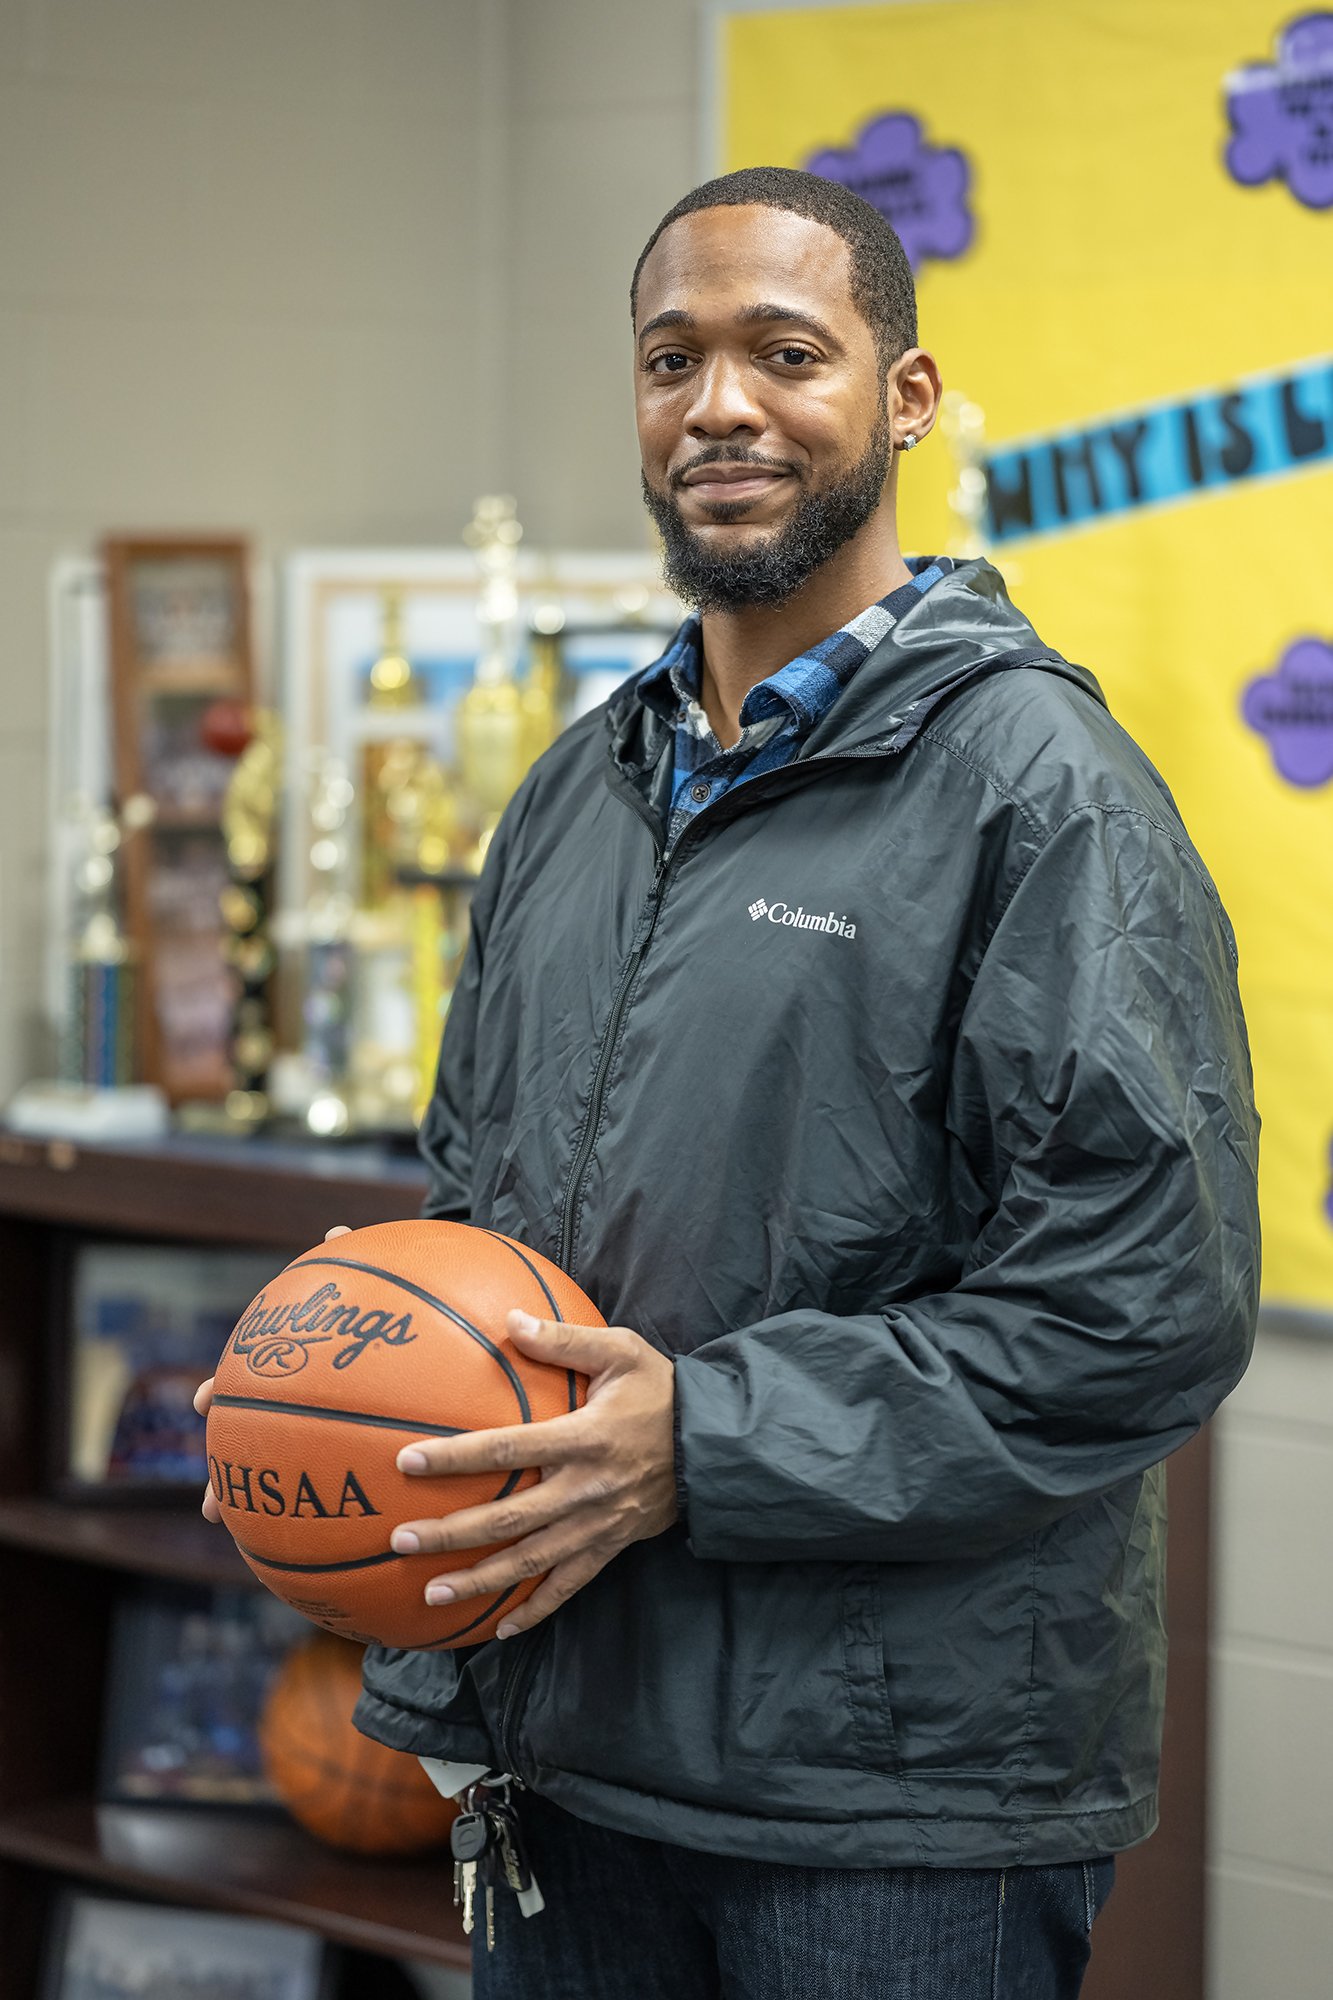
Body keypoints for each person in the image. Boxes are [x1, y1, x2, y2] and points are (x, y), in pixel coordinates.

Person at [200, 168, 1261, 1998]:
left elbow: (1140, 1310)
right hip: (569, 1754)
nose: (719, 405)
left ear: (904, 398)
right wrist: (342, 1413)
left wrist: (701, 1440)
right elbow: (475, 1216)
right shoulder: (570, 794)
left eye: (786, 352)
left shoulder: (1038, 789)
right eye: (669, 358)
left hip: (887, 1807)